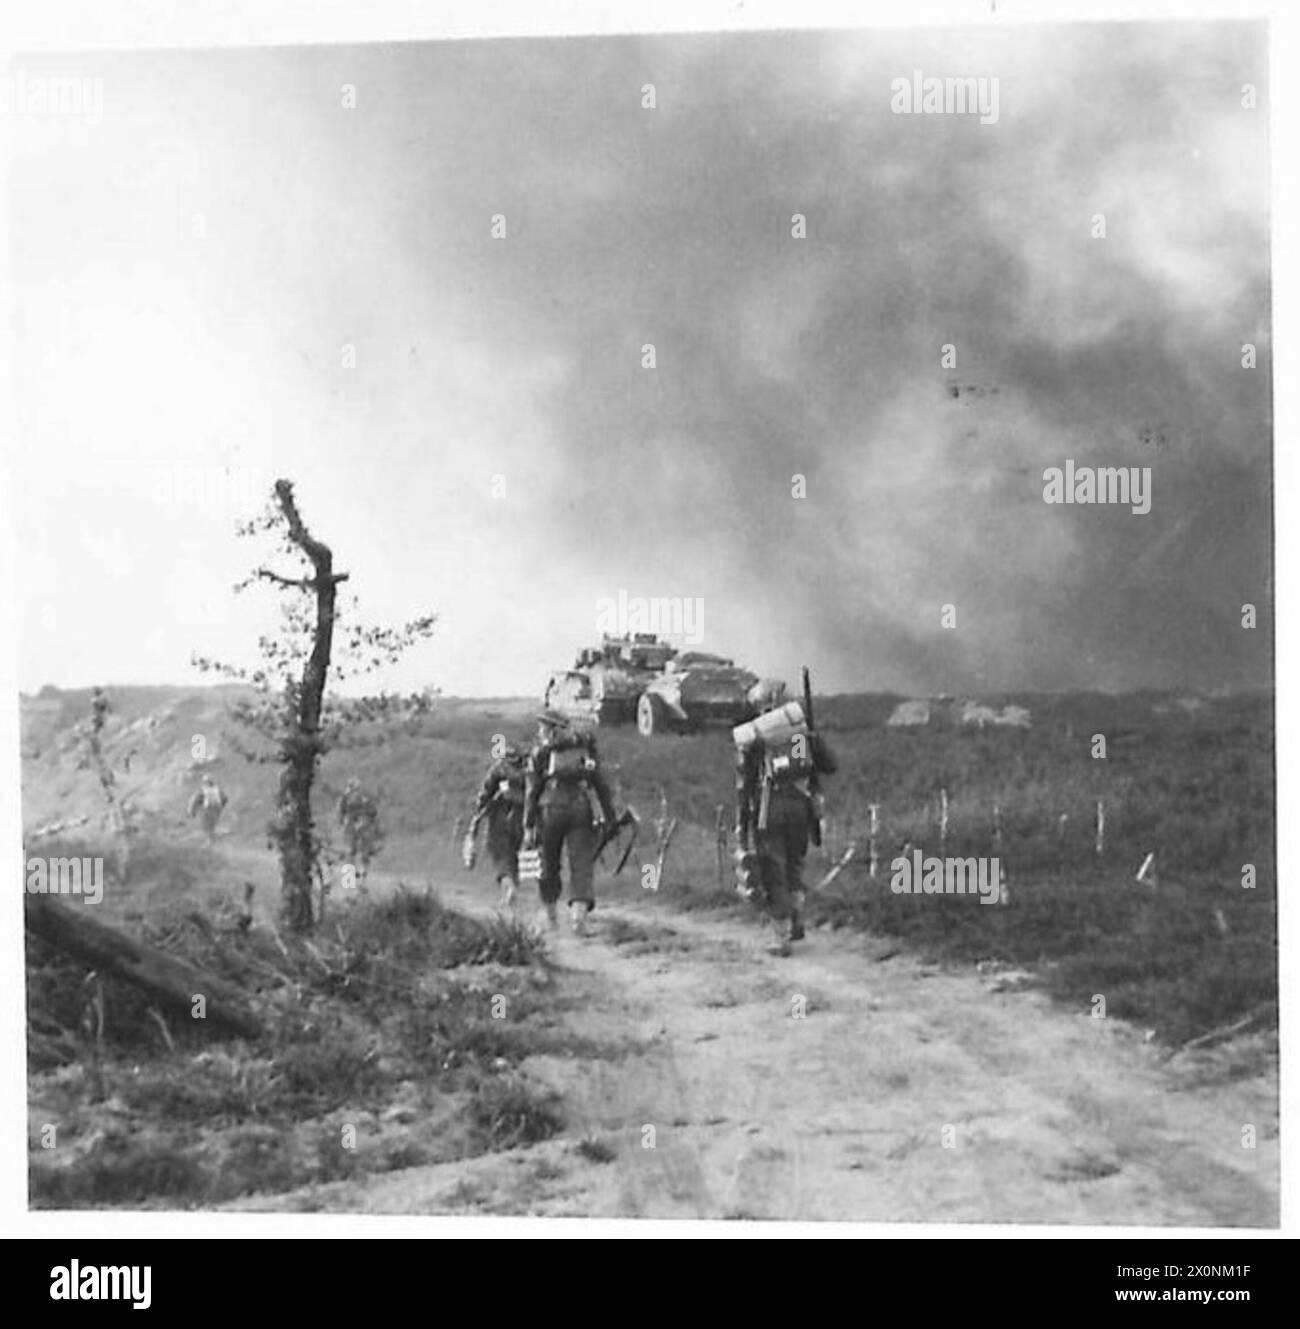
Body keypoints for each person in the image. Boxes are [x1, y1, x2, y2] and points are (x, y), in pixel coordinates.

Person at [733, 682, 837, 956]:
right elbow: (830, 766)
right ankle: (796, 920)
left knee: (773, 872)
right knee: (795, 867)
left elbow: (744, 785)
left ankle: (781, 937)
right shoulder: (801, 734)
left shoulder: (755, 739)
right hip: (802, 811)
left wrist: (742, 824)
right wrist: (812, 737)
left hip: (771, 811)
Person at [523, 710, 618, 936]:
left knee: (548, 863)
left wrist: (528, 824)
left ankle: (551, 917)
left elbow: (531, 791)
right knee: (581, 862)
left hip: (550, 809)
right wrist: (610, 817)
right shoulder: (584, 750)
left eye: (542, 726)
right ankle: (578, 919)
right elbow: (600, 785)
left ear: (550, 728)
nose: (539, 731)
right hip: (580, 808)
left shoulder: (540, 752)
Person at [467, 743, 528, 908]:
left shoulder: (499, 769)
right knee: (515, 855)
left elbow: (485, 793)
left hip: (499, 818)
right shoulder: (529, 771)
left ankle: (509, 887)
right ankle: (513, 888)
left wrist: (479, 811)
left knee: (500, 855)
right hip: (522, 818)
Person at [337, 777, 382, 886]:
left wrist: (342, 821)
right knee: (362, 853)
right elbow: (373, 812)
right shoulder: (364, 797)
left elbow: (340, 813)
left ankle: (350, 881)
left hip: (352, 824)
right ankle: (361, 880)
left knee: (351, 852)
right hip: (361, 824)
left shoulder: (345, 797)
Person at [188, 773, 229, 846]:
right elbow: (225, 799)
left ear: (204, 782)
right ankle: (215, 842)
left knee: (207, 827)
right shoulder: (217, 789)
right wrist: (221, 807)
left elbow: (194, 800)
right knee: (213, 826)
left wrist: (192, 811)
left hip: (206, 810)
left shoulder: (202, 790)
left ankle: (210, 843)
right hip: (217, 810)